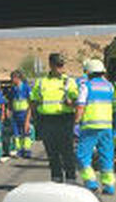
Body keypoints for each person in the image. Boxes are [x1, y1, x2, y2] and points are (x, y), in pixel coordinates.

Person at [30, 53, 79, 183]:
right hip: (46, 120)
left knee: (67, 151)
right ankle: (56, 178)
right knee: (52, 152)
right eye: (58, 65)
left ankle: (70, 178)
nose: (60, 68)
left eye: (62, 65)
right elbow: (34, 101)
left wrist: (71, 103)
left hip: (64, 119)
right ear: (51, 65)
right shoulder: (41, 82)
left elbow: (77, 102)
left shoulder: (69, 81)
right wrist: (35, 119)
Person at [74, 59, 116, 194]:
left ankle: (91, 182)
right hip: (106, 127)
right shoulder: (110, 86)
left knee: (82, 156)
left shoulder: (86, 86)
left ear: (88, 72)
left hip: (89, 127)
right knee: (106, 156)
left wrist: (76, 122)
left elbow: (81, 106)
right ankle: (108, 185)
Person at [7, 70, 33, 158]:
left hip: (24, 113)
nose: (12, 81)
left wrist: (28, 118)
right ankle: (19, 150)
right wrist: (9, 111)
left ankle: (27, 150)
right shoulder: (13, 89)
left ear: (17, 78)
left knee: (26, 132)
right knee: (16, 134)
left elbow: (30, 103)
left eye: (12, 78)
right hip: (15, 114)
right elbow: (10, 101)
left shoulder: (26, 88)